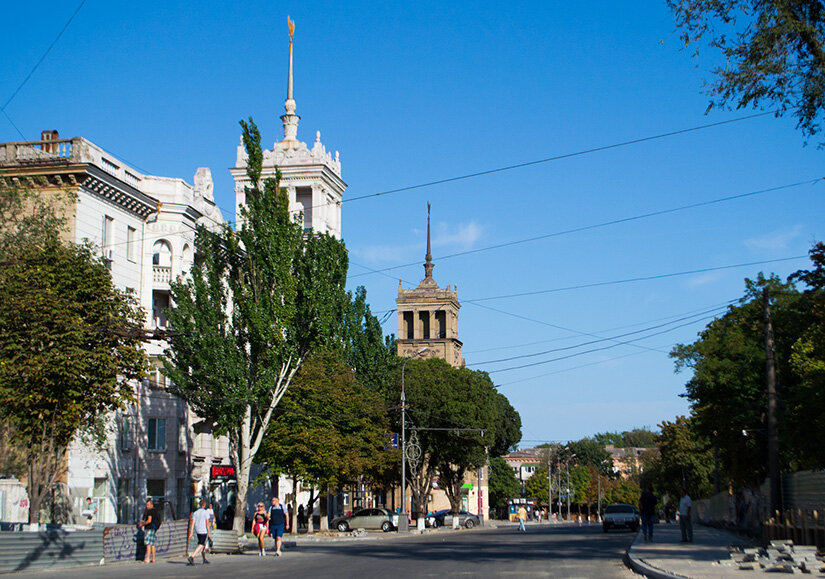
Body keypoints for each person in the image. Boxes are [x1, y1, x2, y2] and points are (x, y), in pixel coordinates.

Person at [187, 499, 211, 565]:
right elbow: (207, 524)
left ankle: (204, 559)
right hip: (203, 531)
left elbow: (192, 523)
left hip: (198, 530)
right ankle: (192, 557)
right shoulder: (206, 513)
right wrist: (209, 534)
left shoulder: (195, 513)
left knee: (203, 544)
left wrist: (191, 533)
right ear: (205, 505)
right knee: (201, 545)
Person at [138, 499, 161, 563]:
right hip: (154, 528)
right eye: (146, 505)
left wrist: (143, 524)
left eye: (148, 505)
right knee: (152, 544)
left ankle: (147, 559)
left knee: (148, 543)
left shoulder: (150, 511)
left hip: (149, 528)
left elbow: (149, 521)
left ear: (151, 505)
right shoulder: (156, 511)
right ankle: (153, 559)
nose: (147, 506)